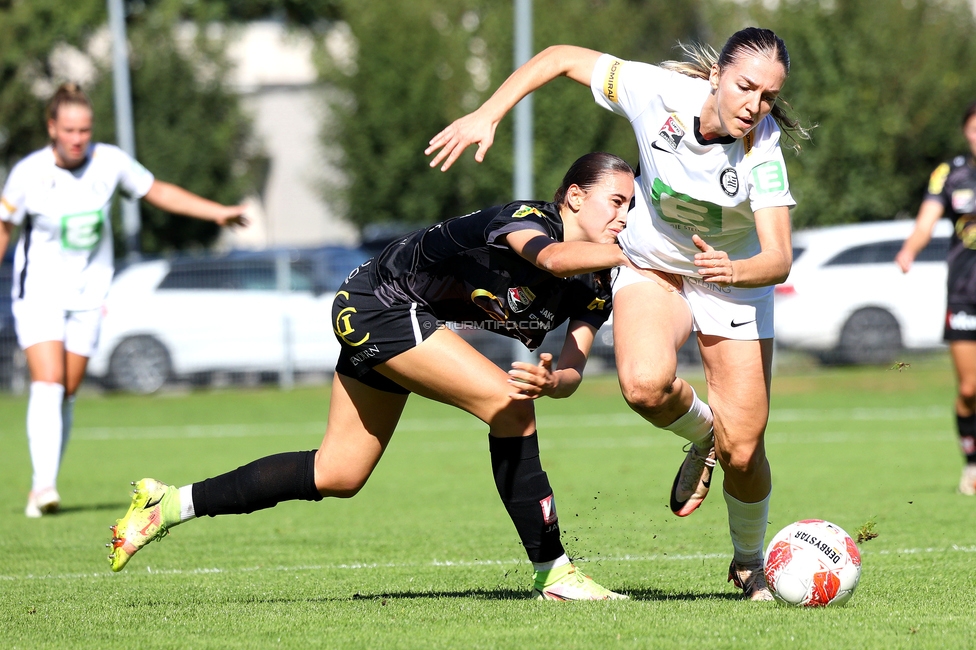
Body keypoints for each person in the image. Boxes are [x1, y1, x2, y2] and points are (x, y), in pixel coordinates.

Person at [107, 152, 635, 601]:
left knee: (339, 473)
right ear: (572, 197)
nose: (625, 217)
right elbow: (553, 257)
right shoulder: (524, 220)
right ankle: (556, 573)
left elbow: (573, 369)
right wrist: (650, 252)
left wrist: (554, 381)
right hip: (379, 301)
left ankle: (168, 504)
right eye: (616, 202)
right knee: (508, 406)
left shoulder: (598, 281)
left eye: (632, 208)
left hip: (399, 318)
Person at [426, 27, 809, 600]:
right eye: (745, 87)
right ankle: (704, 433)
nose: (754, 105)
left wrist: (732, 270)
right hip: (652, 265)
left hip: (733, 281)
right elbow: (558, 57)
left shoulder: (764, 148)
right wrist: (489, 112)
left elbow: (778, 259)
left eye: (768, 96)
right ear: (716, 77)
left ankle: (749, 561)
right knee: (644, 387)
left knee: (746, 450)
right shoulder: (653, 92)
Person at [0, 83, 247, 518]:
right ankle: (43, 487)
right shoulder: (28, 173)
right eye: (70, 129)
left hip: (90, 293)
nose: (78, 138)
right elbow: (4, 226)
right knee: (49, 380)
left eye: (85, 129)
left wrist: (216, 212)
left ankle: (45, 484)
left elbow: (159, 191)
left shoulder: (109, 161)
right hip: (37, 293)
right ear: (52, 128)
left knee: (68, 390)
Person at [896, 101, 976, 496]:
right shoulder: (951, 173)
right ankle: (972, 462)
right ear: (966, 131)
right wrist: (910, 248)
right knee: (968, 389)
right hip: (964, 294)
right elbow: (926, 222)